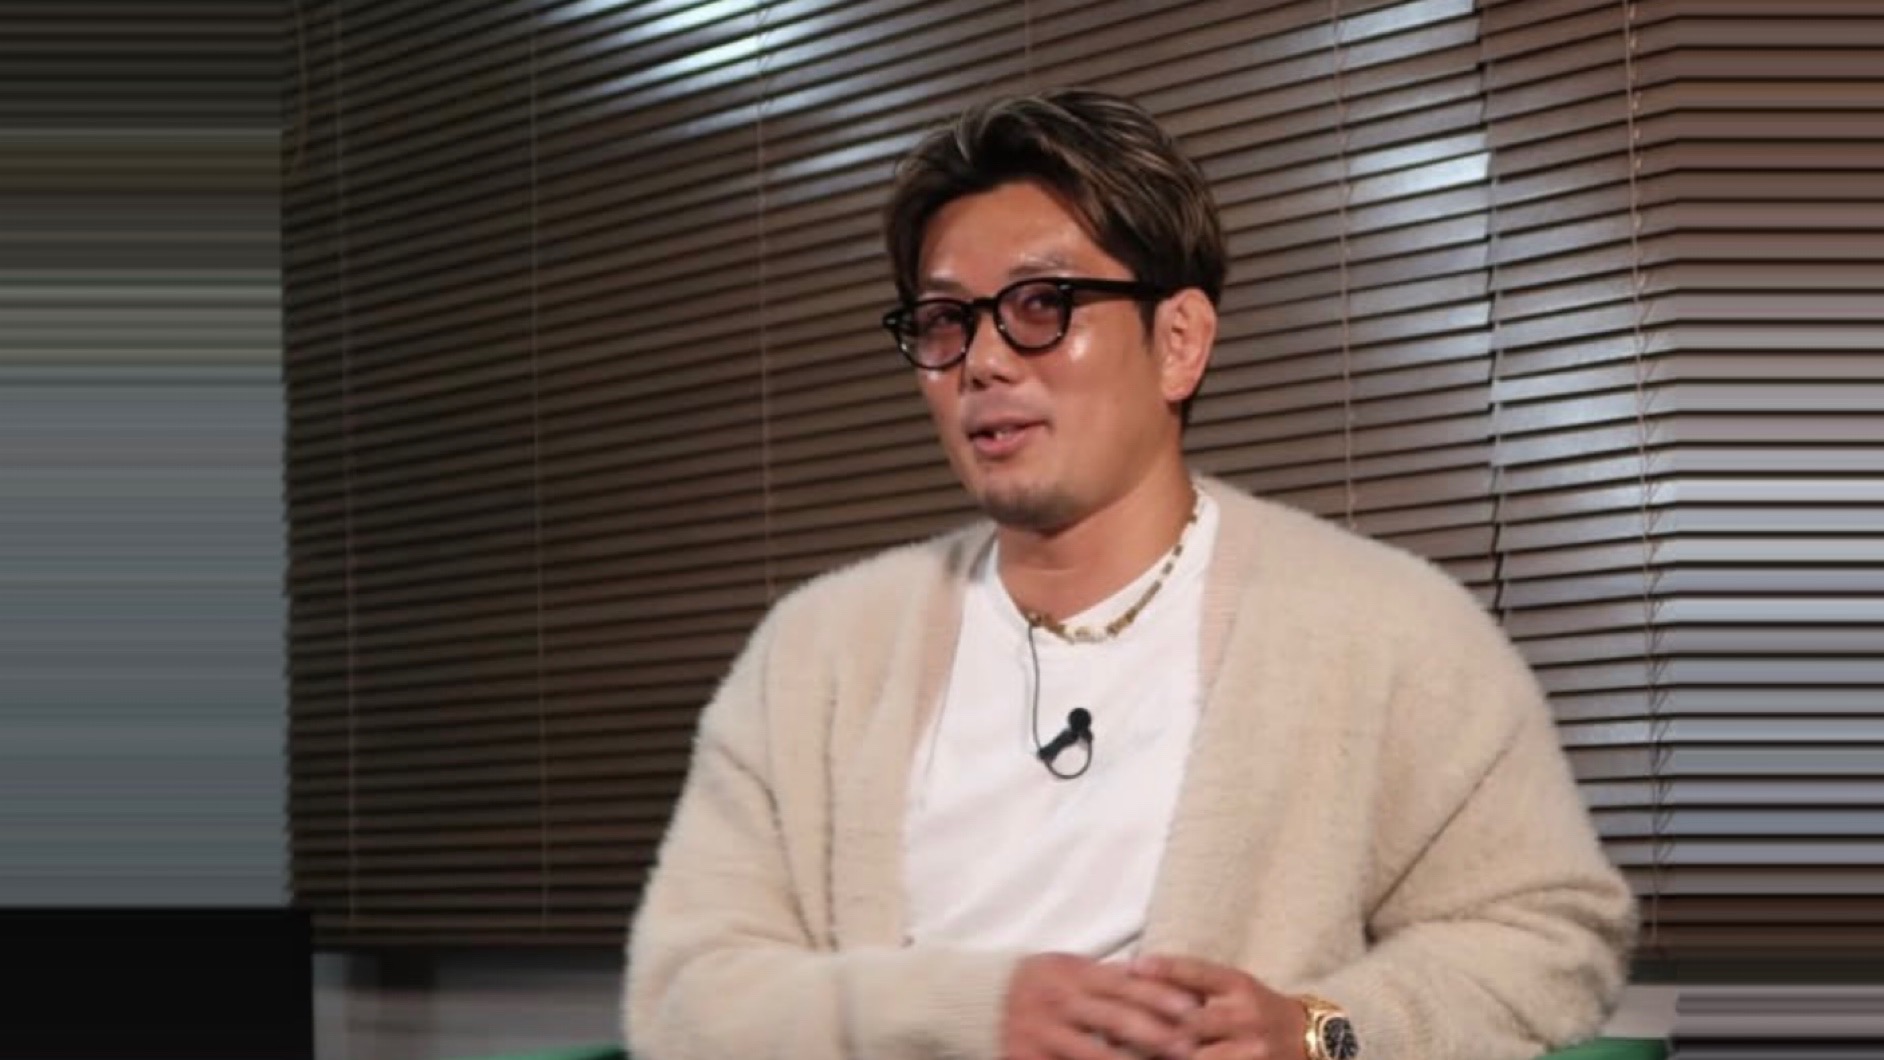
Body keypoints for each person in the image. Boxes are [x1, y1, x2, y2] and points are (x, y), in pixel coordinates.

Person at [623, 87, 1638, 1060]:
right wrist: (965, 1015)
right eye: (944, 320)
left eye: (1042, 303)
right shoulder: (819, 651)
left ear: (1179, 341)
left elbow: (1547, 939)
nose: (982, 361)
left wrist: (1319, 1031)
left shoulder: (1385, 627)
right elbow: (684, 992)